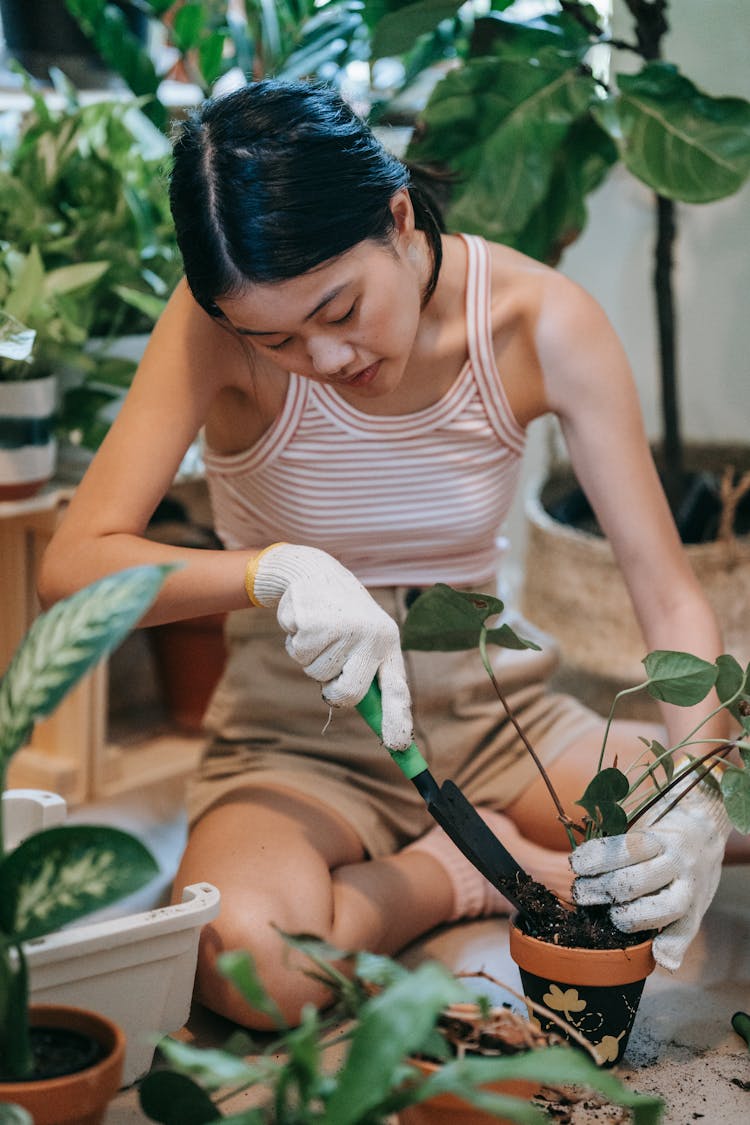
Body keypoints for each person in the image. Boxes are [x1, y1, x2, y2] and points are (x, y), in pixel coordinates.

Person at [39, 79, 742, 1030]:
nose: (324, 360)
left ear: (398, 216)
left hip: (498, 712)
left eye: (338, 309)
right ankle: (454, 868)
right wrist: (273, 570)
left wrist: (698, 796)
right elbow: (73, 566)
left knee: (726, 806)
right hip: (301, 738)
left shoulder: (540, 319)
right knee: (251, 959)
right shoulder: (211, 326)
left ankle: (511, 843)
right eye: (277, 340)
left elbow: (669, 598)